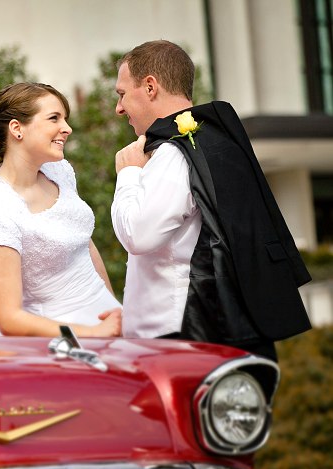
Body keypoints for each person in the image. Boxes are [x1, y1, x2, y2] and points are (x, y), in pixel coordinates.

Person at [112, 40, 311, 360]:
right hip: (229, 327)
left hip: (182, 334)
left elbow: (138, 234)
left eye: (122, 94)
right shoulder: (220, 141)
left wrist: (128, 174)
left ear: (150, 86)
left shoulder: (174, 153)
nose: (119, 108)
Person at [0, 82, 121, 338]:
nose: (67, 128)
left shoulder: (59, 171)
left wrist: (112, 308)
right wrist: (92, 333)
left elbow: (84, 244)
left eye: (65, 119)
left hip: (105, 315)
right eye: (54, 118)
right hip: (61, 335)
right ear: (17, 129)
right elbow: (9, 318)